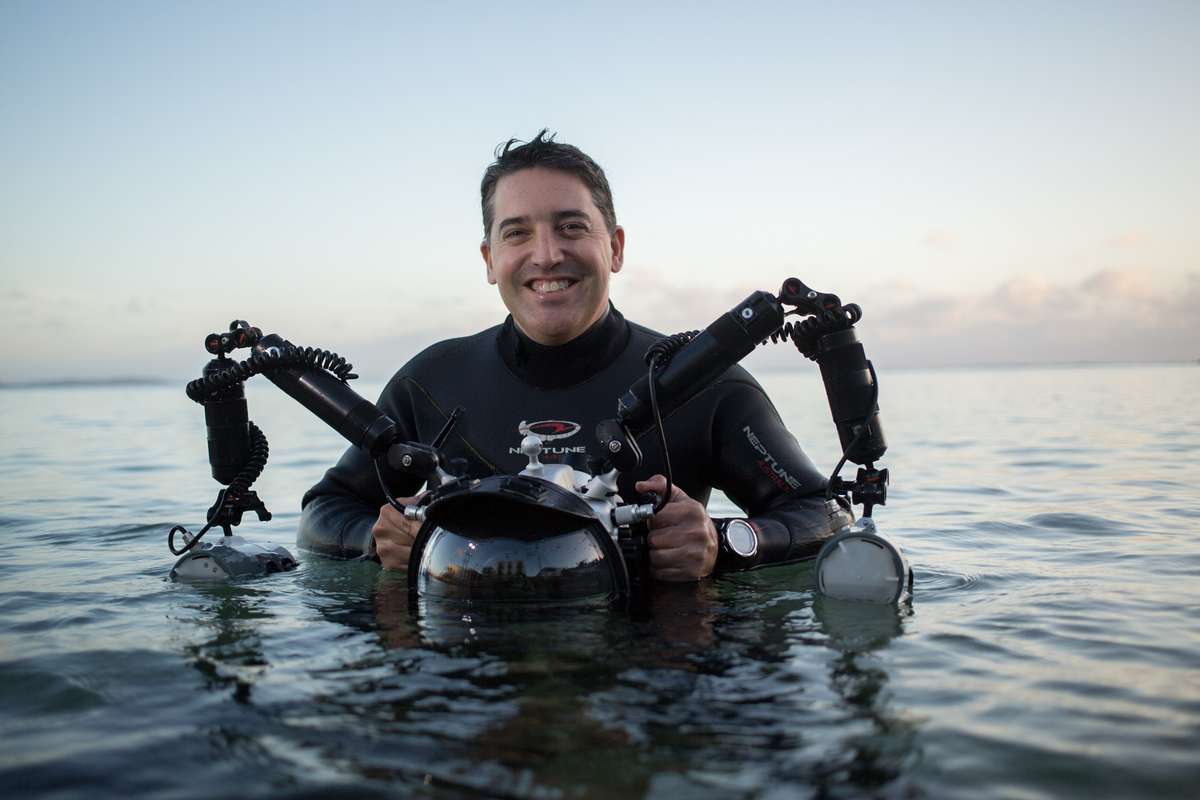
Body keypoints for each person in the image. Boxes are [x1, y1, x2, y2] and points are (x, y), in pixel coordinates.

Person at [298, 131, 850, 580]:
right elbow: (323, 514)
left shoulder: (705, 381)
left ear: (615, 246)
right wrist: (377, 539)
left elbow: (823, 511)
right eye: (517, 233)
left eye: (571, 227)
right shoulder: (430, 383)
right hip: (465, 682)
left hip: (645, 676)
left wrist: (728, 540)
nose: (546, 254)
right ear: (490, 259)